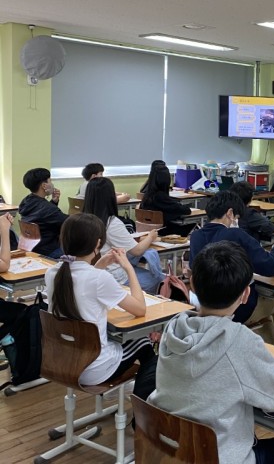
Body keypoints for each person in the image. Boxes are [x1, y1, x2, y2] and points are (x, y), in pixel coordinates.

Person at [148, 241, 274, 464]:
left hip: (171, 452)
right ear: (245, 294)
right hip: (218, 457)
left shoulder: (173, 329)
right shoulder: (240, 341)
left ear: (192, 283)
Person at [45, 213, 156, 399]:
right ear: (98, 244)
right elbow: (140, 309)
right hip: (92, 369)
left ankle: (130, 393)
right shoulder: (99, 278)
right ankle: (143, 401)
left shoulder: (52, 272)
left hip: (62, 360)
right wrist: (129, 268)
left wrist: (99, 265)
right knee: (143, 342)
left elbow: (82, 287)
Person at [189, 191, 274, 344]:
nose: (236, 221)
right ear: (230, 213)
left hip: (204, 306)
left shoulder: (196, 236)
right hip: (236, 308)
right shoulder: (236, 235)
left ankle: (268, 344)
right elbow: (271, 266)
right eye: (236, 217)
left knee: (266, 310)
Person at [83, 177, 165, 294]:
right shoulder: (111, 223)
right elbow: (137, 251)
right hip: (115, 277)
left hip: (94, 272)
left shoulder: (83, 220)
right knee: (157, 278)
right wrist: (151, 237)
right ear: (110, 197)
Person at [18, 168, 68, 258]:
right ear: (44, 185)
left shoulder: (26, 201)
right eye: (50, 181)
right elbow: (69, 222)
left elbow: (43, 215)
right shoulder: (48, 209)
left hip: (33, 248)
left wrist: (54, 202)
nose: (52, 184)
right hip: (49, 251)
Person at [140, 166, 194, 237]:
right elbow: (186, 210)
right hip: (162, 231)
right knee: (193, 224)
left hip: (149, 230)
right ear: (166, 180)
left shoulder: (147, 195)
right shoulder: (160, 196)